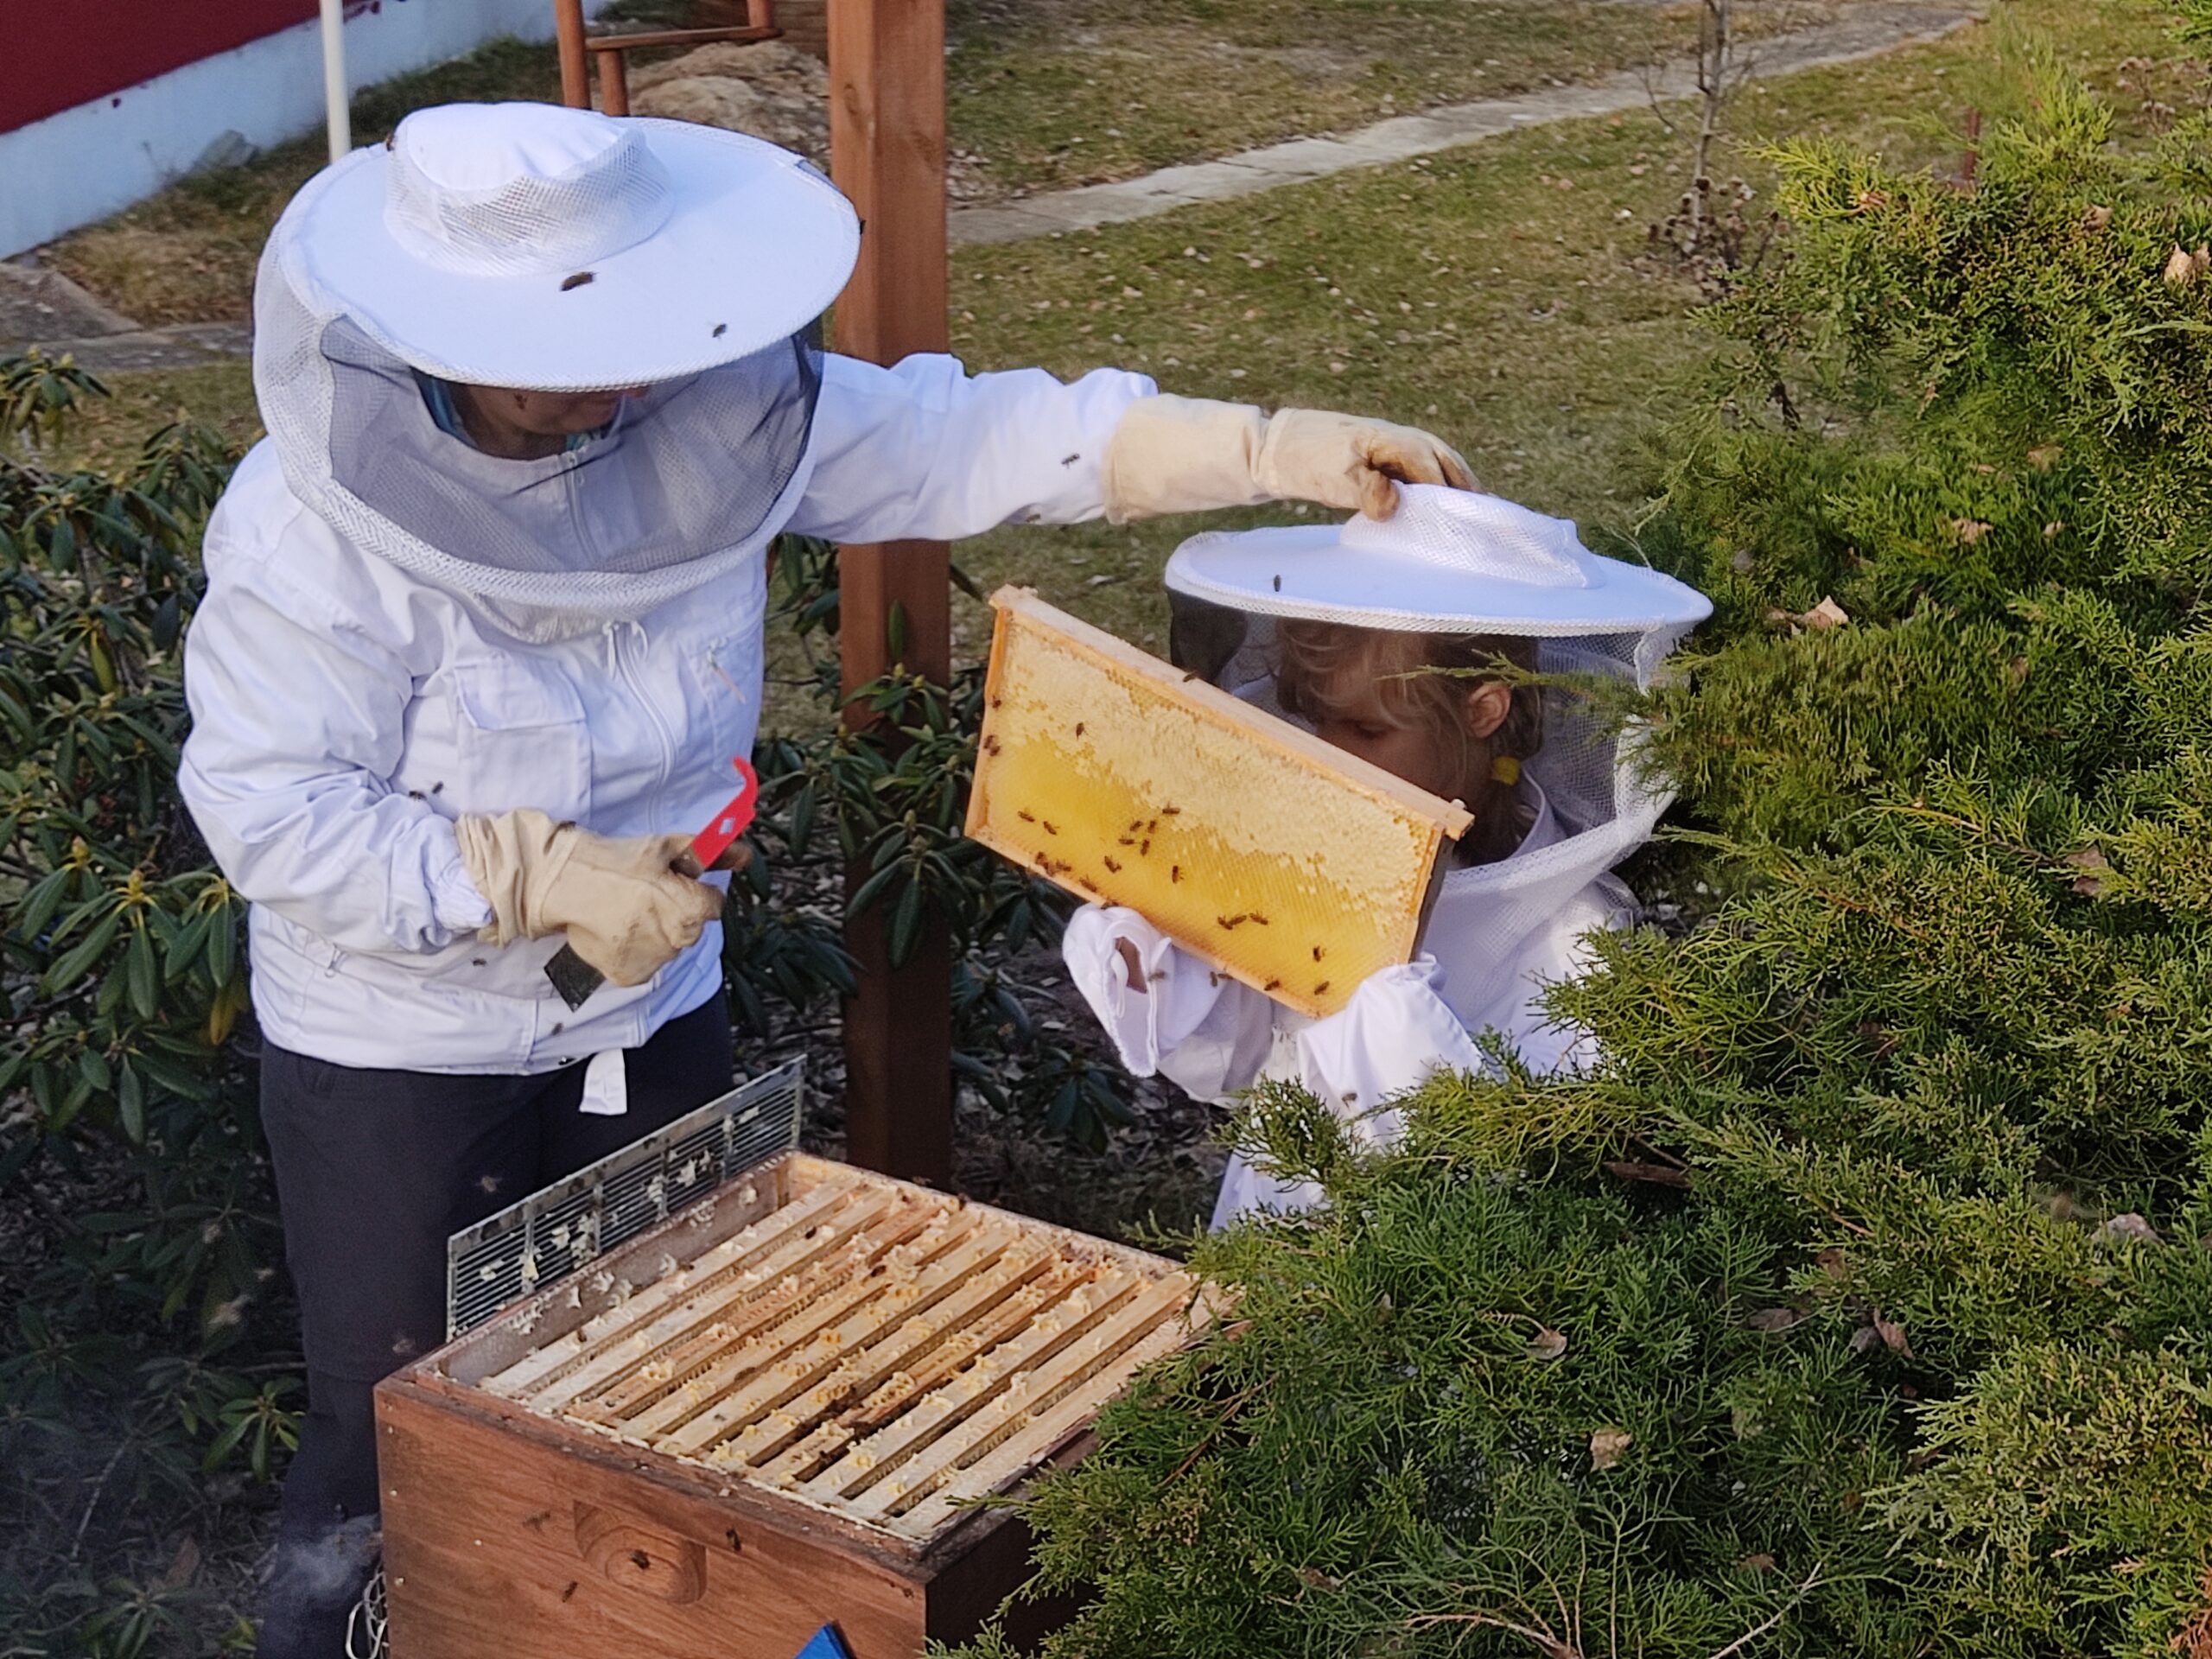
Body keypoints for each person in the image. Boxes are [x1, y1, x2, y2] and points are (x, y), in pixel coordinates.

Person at [175, 100, 1474, 1656]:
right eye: (554, 361)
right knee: (394, 1430)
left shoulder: (713, 412)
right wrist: (527, 874)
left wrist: (1255, 445)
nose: (610, 389)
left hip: (650, 1008)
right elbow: (270, 812)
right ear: (439, 338)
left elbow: (964, 438)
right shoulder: (307, 536)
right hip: (402, 1052)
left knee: (671, 1375)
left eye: (621, 340)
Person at [1061, 485, 1712, 1226]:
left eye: (1367, 731)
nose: (1332, 757)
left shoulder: (1578, 947)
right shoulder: (1314, 852)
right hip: (1270, 1241)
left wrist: (1383, 984)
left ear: (1483, 710)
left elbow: (1498, 1189)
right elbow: (1242, 1064)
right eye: (1318, 722)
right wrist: (1162, 948)